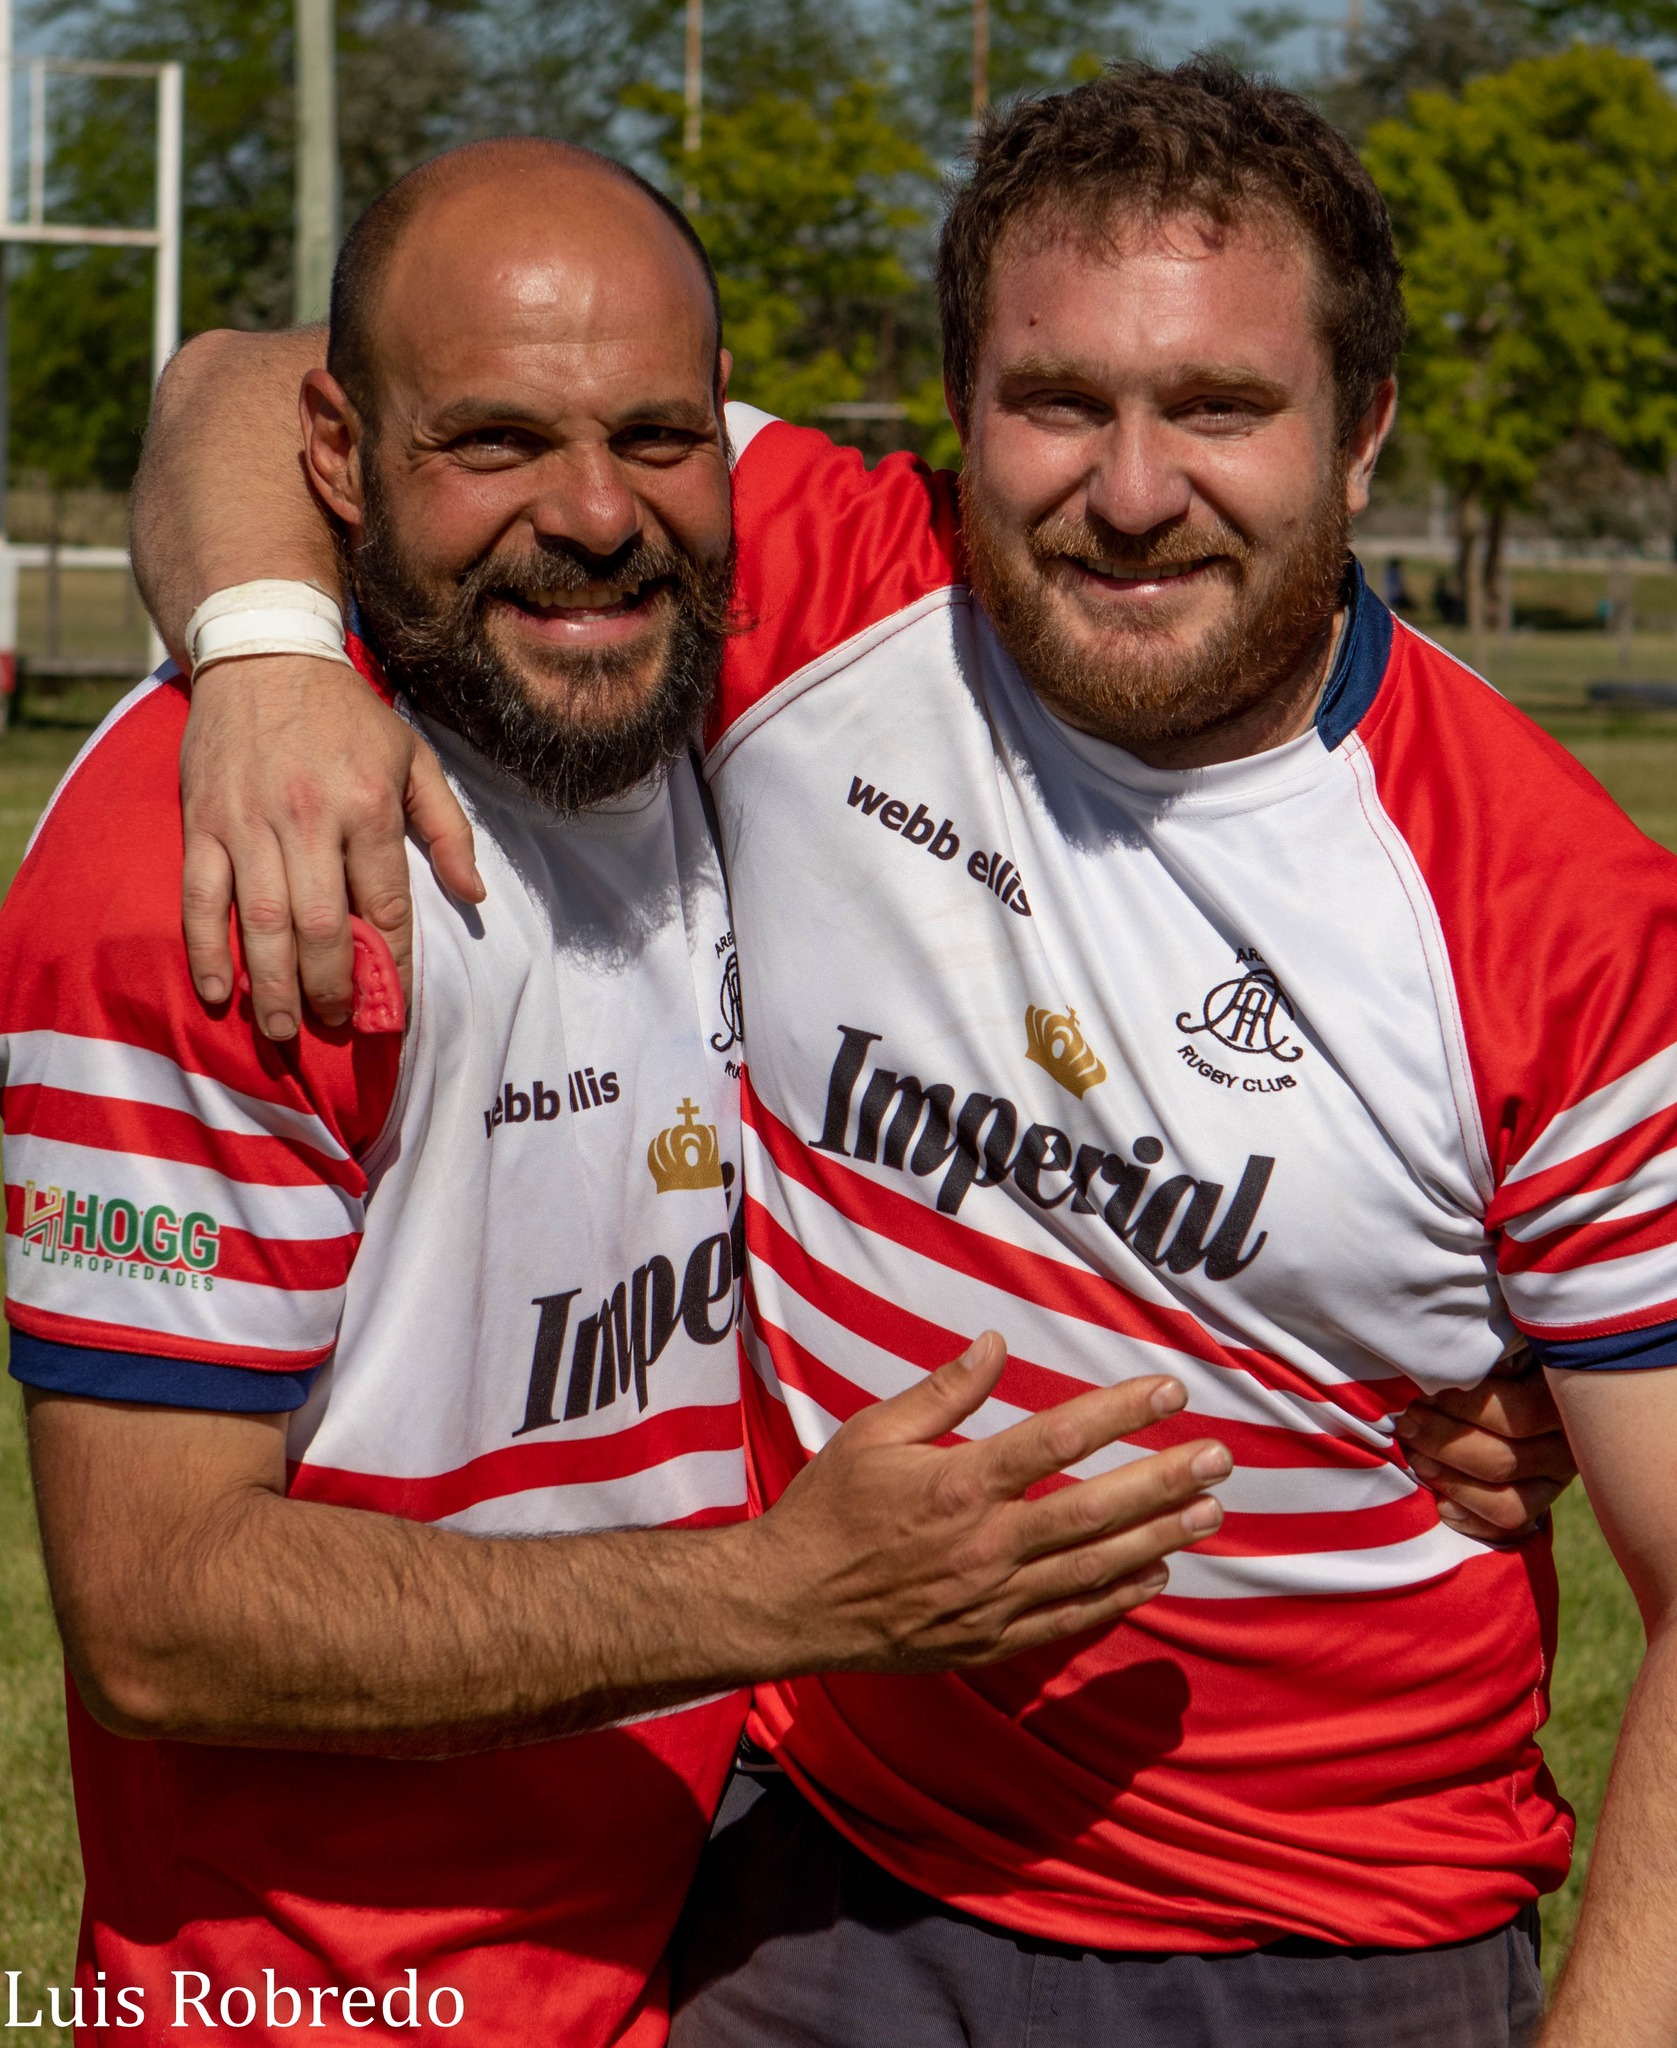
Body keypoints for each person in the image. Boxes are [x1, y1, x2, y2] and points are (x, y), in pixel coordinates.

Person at [124, 64, 1617, 2048]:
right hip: (811, 1880)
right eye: (1057, 400)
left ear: (1357, 439)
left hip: (1323, 1954)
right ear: (951, 420)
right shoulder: (821, 575)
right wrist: (266, 649)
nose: (1133, 484)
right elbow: (245, 377)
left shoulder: (1559, 920)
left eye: (1219, 407)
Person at [0, 142, 1245, 2048]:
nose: (593, 514)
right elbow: (161, 1612)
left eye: (658, 438)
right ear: (345, 457)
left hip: (725, 1947)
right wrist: (780, 1596)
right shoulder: (232, 865)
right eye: (491, 443)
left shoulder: (711, 714)